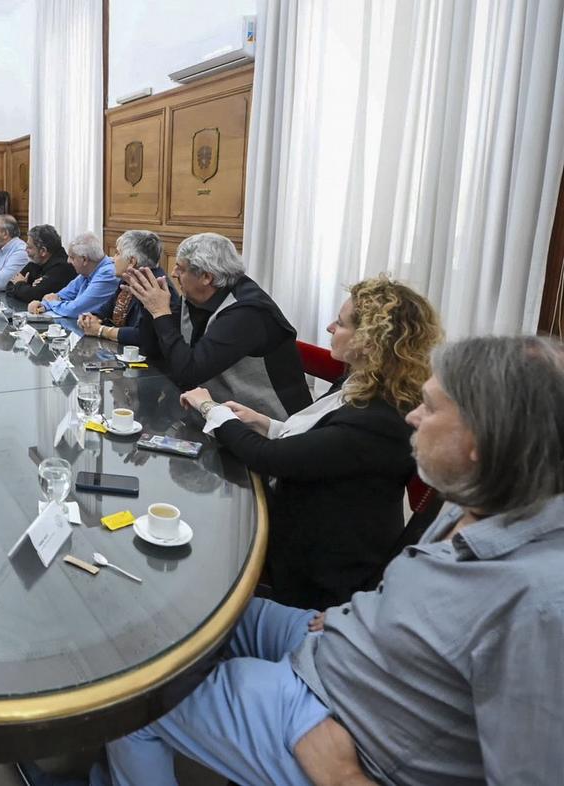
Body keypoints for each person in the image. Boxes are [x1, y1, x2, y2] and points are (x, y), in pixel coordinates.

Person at [29, 335, 564, 786]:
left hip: (344, 724)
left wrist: (351, 779)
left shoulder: (542, 603)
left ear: (481, 439)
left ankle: (135, 740)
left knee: (138, 700)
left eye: (431, 406)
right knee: (188, 611)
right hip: (340, 643)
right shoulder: (482, 496)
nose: (414, 417)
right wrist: (360, 613)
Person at [180, 276, 443, 607]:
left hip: (319, 572)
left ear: (370, 341)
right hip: (311, 527)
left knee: (201, 545)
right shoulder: (365, 382)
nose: (331, 327)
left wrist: (210, 408)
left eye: (342, 323)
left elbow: (268, 458)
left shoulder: (381, 417)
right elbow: (322, 442)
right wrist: (263, 422)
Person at [126, 232, 310, 419]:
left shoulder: (247, 312)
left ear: (206, 277)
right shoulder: (198, 298)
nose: (173, 273)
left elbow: (188, 373)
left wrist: (160, 312)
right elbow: (158, 353)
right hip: (216, 413)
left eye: (181, 268)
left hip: (270, 423)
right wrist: (149, 306)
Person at [28, 232, 118, 319]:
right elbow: (63, 295)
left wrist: (51, 303)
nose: (68, 261)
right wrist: (43, 305)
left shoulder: (107, 274)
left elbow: (76, 309)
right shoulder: (87, 272)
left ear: (84, 259)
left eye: (72, 257)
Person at [5, 224, 73, 302]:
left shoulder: (62, 268)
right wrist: (27, 287)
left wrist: (20, 283)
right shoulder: (35, 262)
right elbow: (10, 286)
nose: (25, 250)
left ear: (43, 251)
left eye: (29, 247)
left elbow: (34, 296)